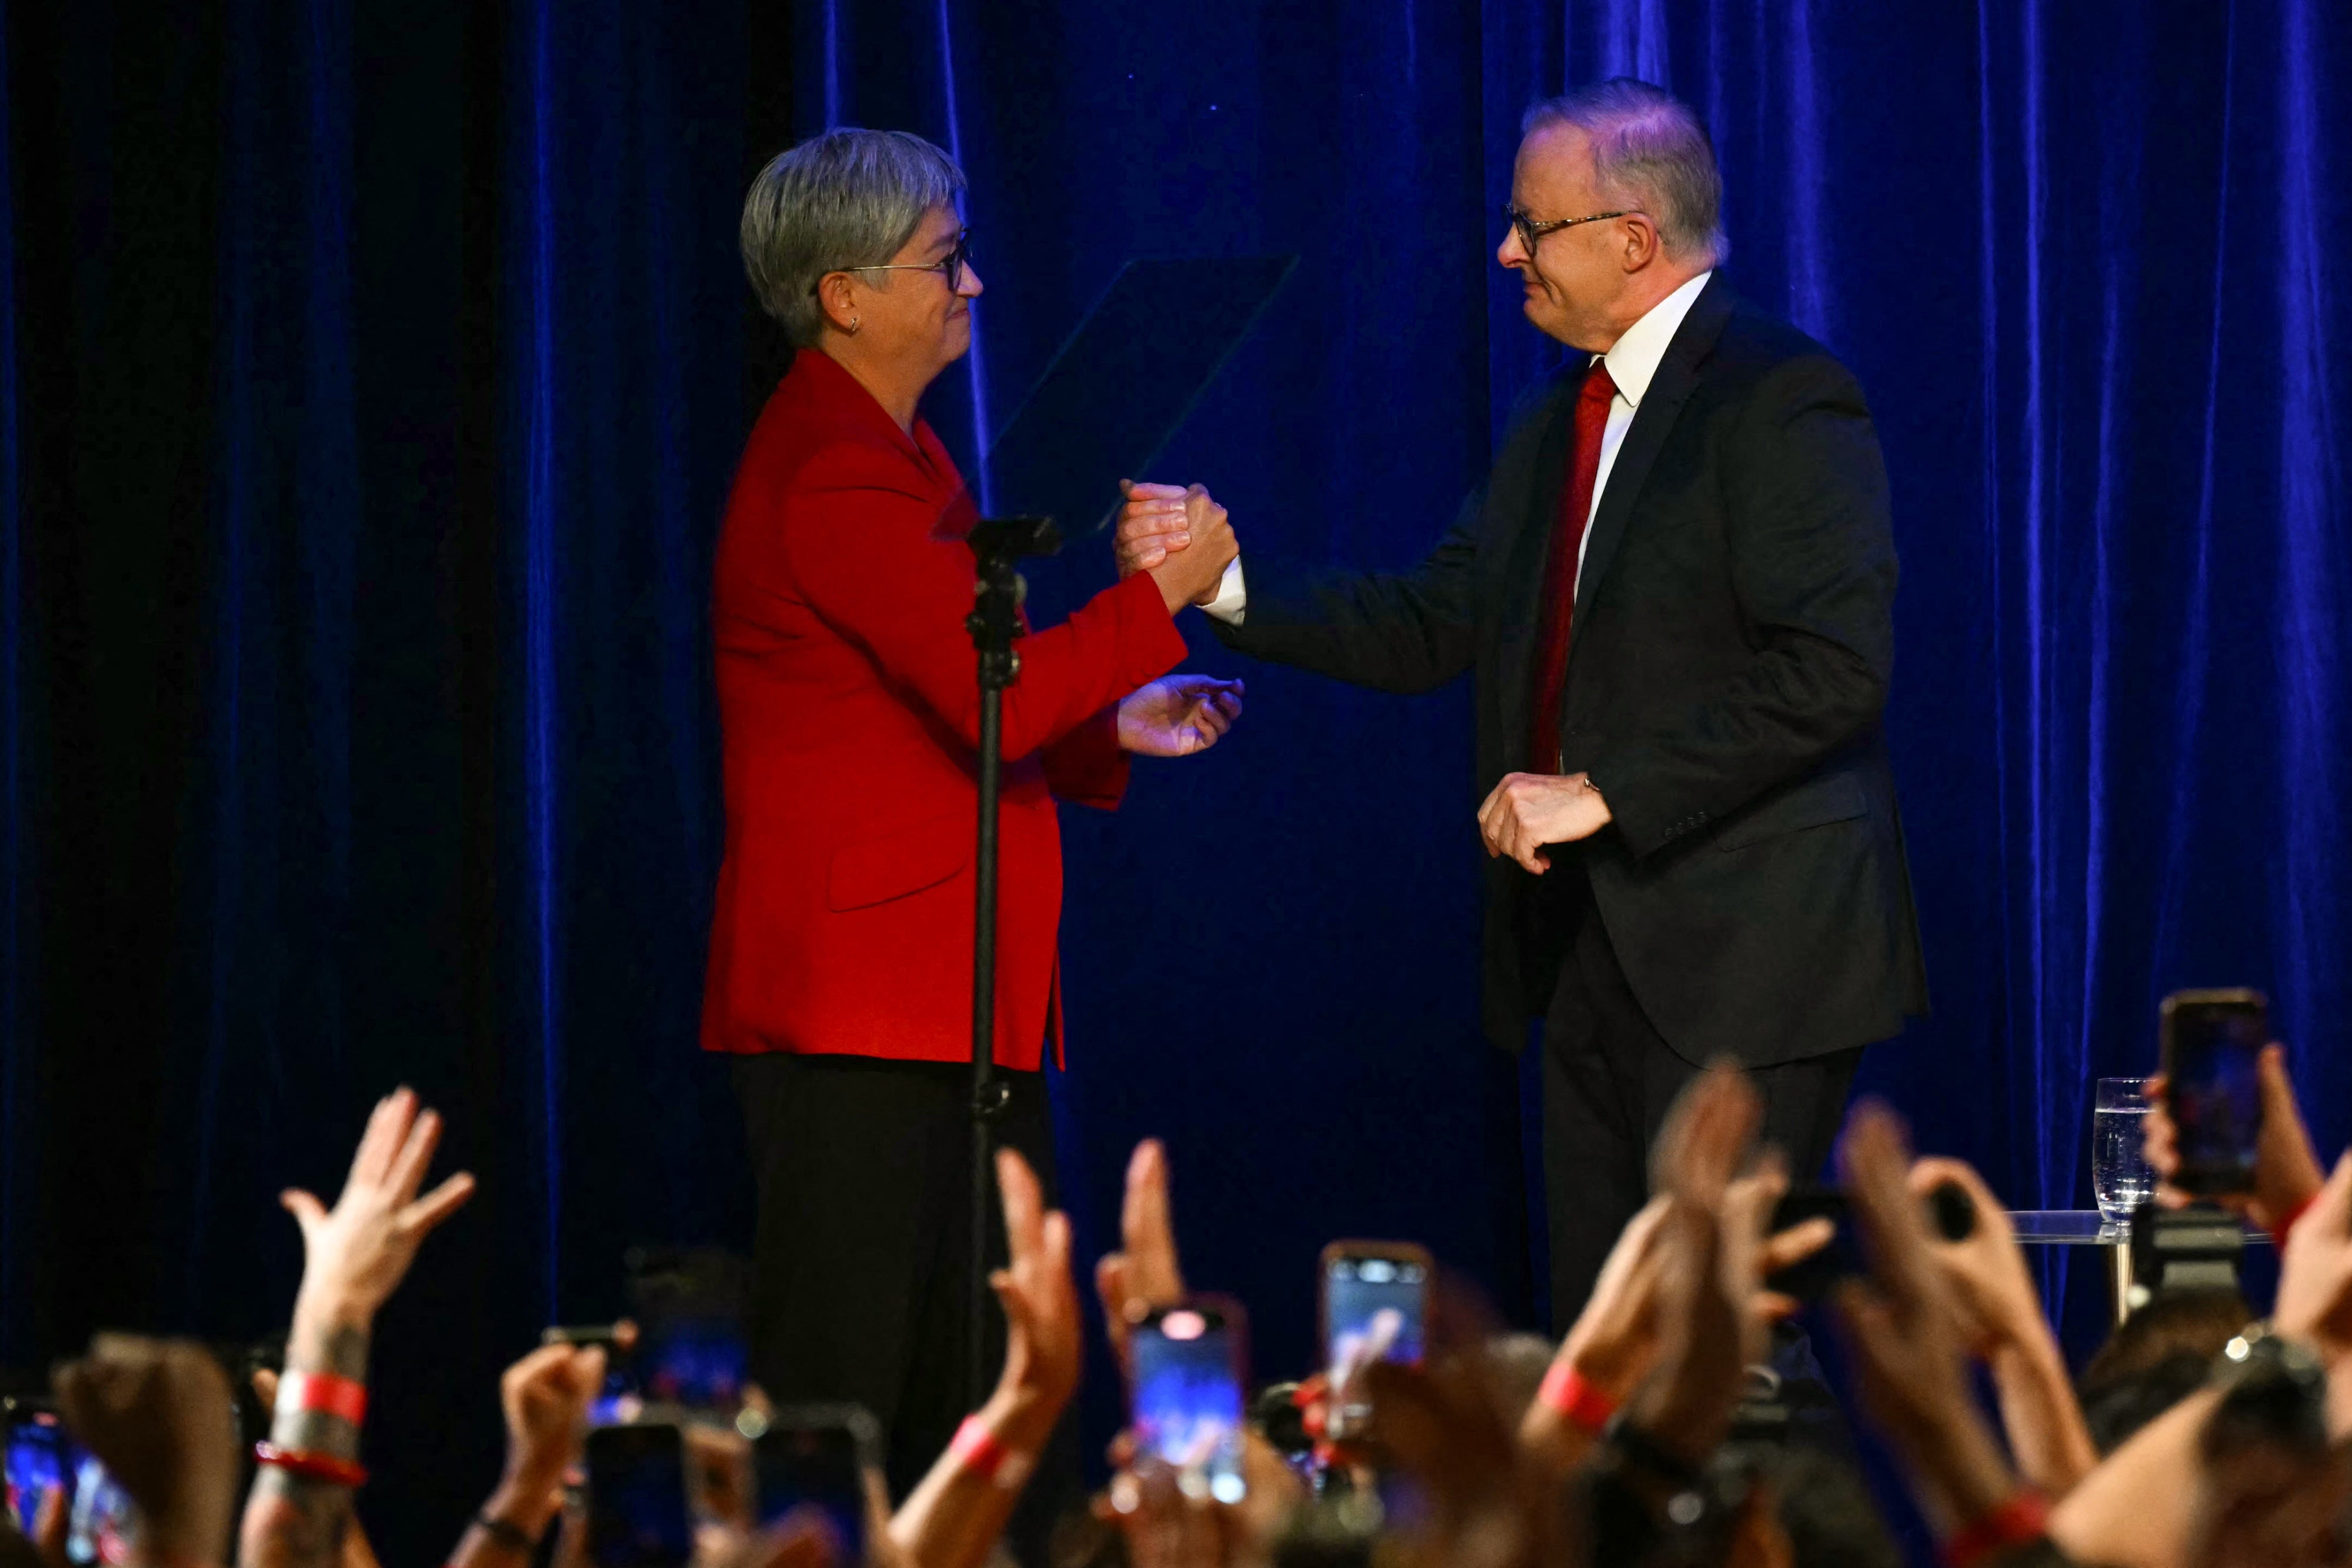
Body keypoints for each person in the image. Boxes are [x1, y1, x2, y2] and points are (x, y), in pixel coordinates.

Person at [1115, 78, 1926, 1327]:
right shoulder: (1560, 416)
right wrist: (1215, 581)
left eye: (1528, 226)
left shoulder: (1778, 394)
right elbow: (1433, 620)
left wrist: (1601, 793)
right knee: (1600, 1358)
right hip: (1585, 962)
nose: (1503, 252)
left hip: (1750, 965)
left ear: (1630, 239)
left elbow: (1829, 667)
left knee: (1719, 1362)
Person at [712, 127, 1245, 1502]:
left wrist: (1107, 720)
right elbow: (973, 685)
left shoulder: (897, 456)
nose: (972, 287)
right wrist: (1161, 597)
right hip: (864, 1011)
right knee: (852, 1397)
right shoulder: (835, 468)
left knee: (964, 1389)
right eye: (945, 262)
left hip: (929, 1003)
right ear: (845, 292)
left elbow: (941, 709)